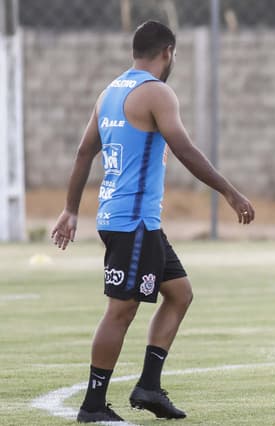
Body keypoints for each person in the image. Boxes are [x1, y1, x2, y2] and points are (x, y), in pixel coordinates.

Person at [51, 20, 255, 422]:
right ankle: (93, 406)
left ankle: (148, 387)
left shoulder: (110, 92)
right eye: (173, 55)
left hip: (125, 218)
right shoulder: (157, 93)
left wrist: (71, 209)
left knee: (179, 293)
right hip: (133, 223)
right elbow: (185, 149)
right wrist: (230, 192)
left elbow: (82, 153)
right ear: (167, 52)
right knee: (121, 310)